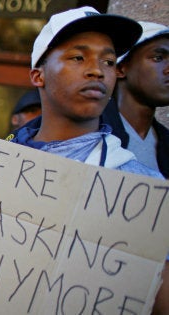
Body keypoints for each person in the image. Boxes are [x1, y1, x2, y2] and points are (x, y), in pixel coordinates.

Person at [6, 7, 164, 179]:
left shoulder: (141, 188)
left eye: (109, 62)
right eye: (78, 58)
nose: (97, 70)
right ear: (38, 76)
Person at [97, 21, 169, 314]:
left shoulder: (165, 143)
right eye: (158, 57)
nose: (168, 68)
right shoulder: (90, 136)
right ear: (121, 68)